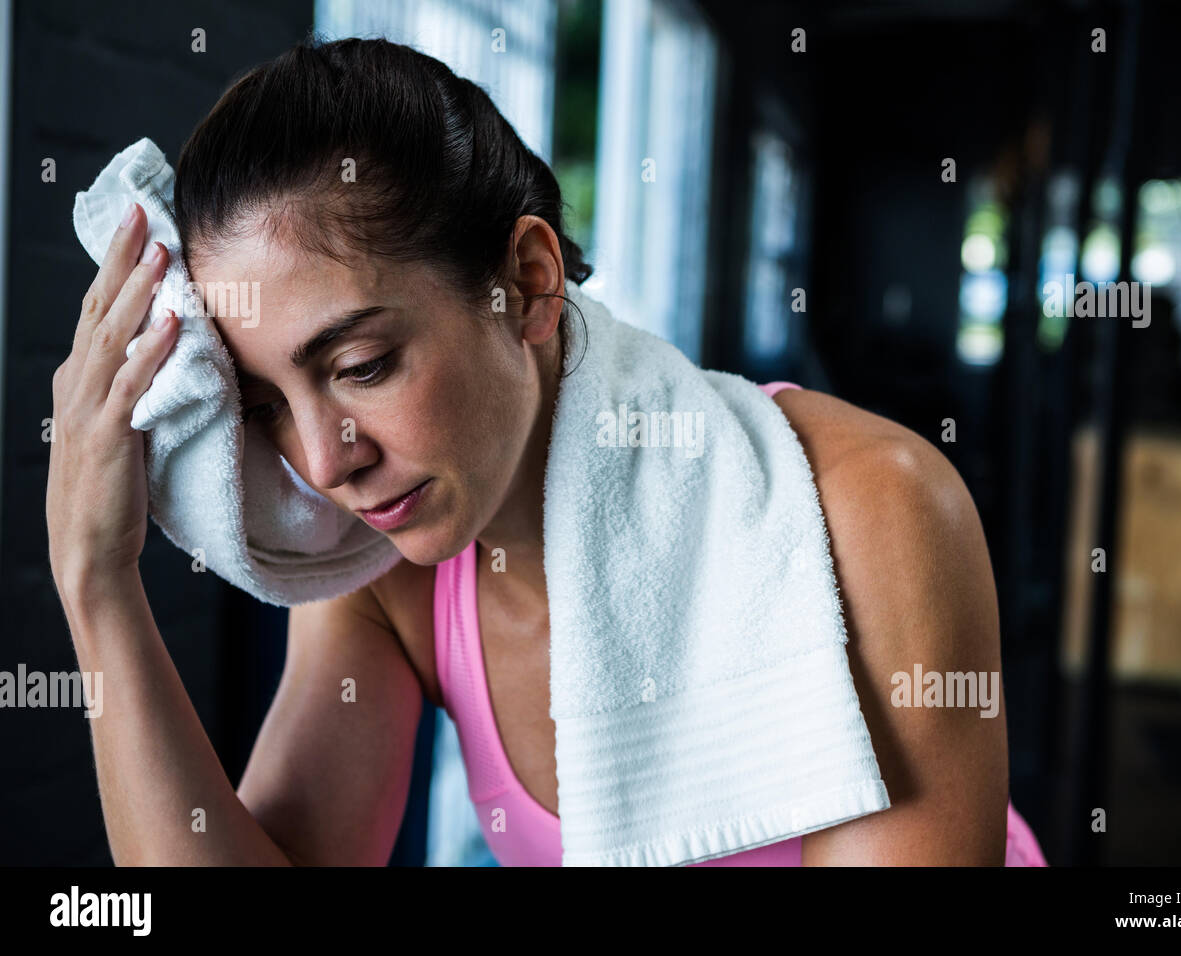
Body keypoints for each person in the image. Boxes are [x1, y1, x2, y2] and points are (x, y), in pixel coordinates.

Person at [46, 36, 1031, 865]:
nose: (323, 459)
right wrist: (97, 586)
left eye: (361, 363)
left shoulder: (872, 510)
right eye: (266, 404)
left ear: (524, 281)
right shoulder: (382, 572)